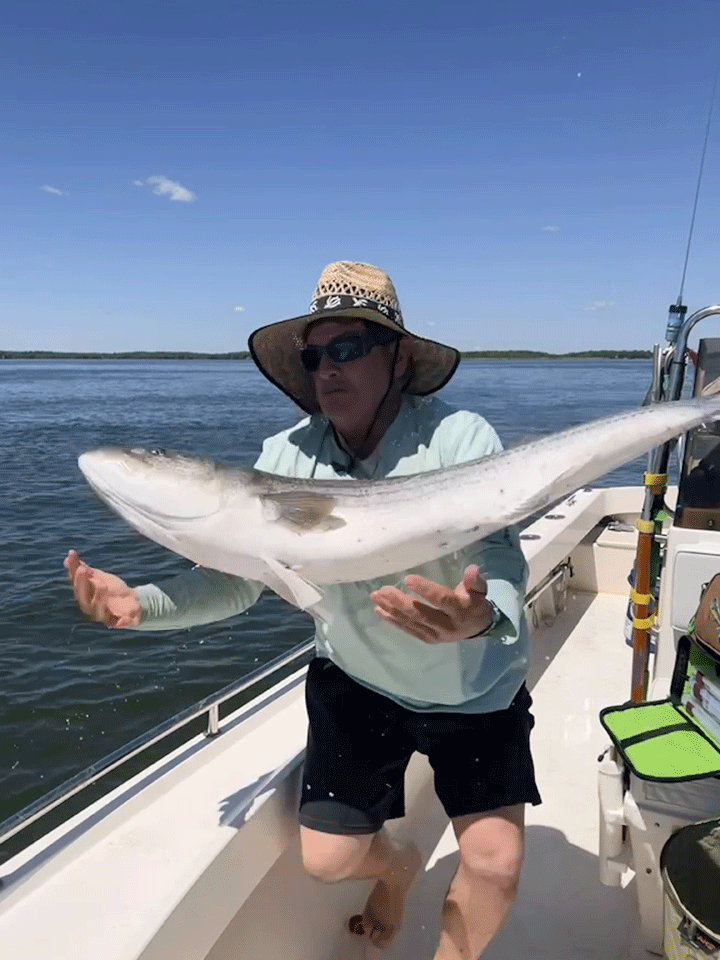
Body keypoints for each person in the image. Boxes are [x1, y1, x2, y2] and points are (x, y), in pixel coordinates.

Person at [65, 261, 540, 960]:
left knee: (495, 863)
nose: (326, 369)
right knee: (327, 862)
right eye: (315, 355)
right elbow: (240, 579)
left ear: (399, 356)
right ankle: (399, 866)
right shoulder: (285, 456)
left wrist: (482, 617)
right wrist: (141, 605)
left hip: (473, 684)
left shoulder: (460, 438)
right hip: (357, 677)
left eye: (348, 348)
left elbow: (498, 556)